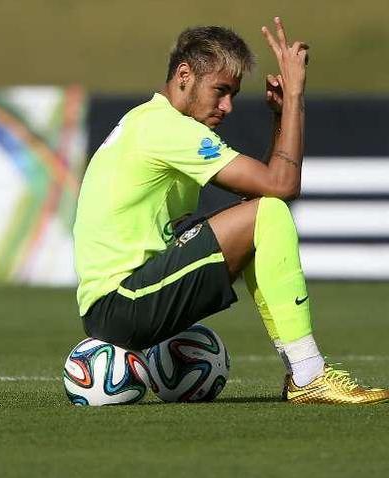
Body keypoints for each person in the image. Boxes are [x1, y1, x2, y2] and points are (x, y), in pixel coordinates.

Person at [73, 17, 388, 404]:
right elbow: (281, 186)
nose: (228, 107)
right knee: (268, 214)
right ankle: (309, 374)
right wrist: (293, 99)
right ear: (184, 75)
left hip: (123, 301)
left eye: (233, 94)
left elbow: (269, 186)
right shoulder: (167, 128)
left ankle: (304, 374)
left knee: (261, 214)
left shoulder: (151, 122)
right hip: (124, 302)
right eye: (220, 91)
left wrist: (281, 118)